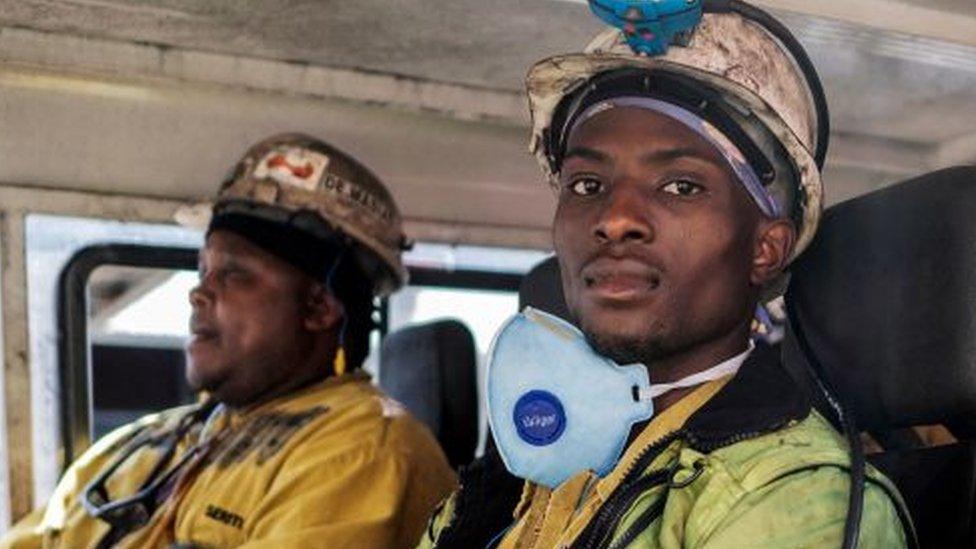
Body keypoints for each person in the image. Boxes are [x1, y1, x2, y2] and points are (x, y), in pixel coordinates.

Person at [421, 5, 912, 548]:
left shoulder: (796, 498)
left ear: (764, 250)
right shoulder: (508, 479)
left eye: (680, 186)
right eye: (586, 185)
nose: (614, 219)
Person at [3, 133, 456, 548]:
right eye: (203, 271)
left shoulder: (365, 454)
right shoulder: (143, 440)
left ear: (318, 307)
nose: (198, 292)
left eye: (234, 273)